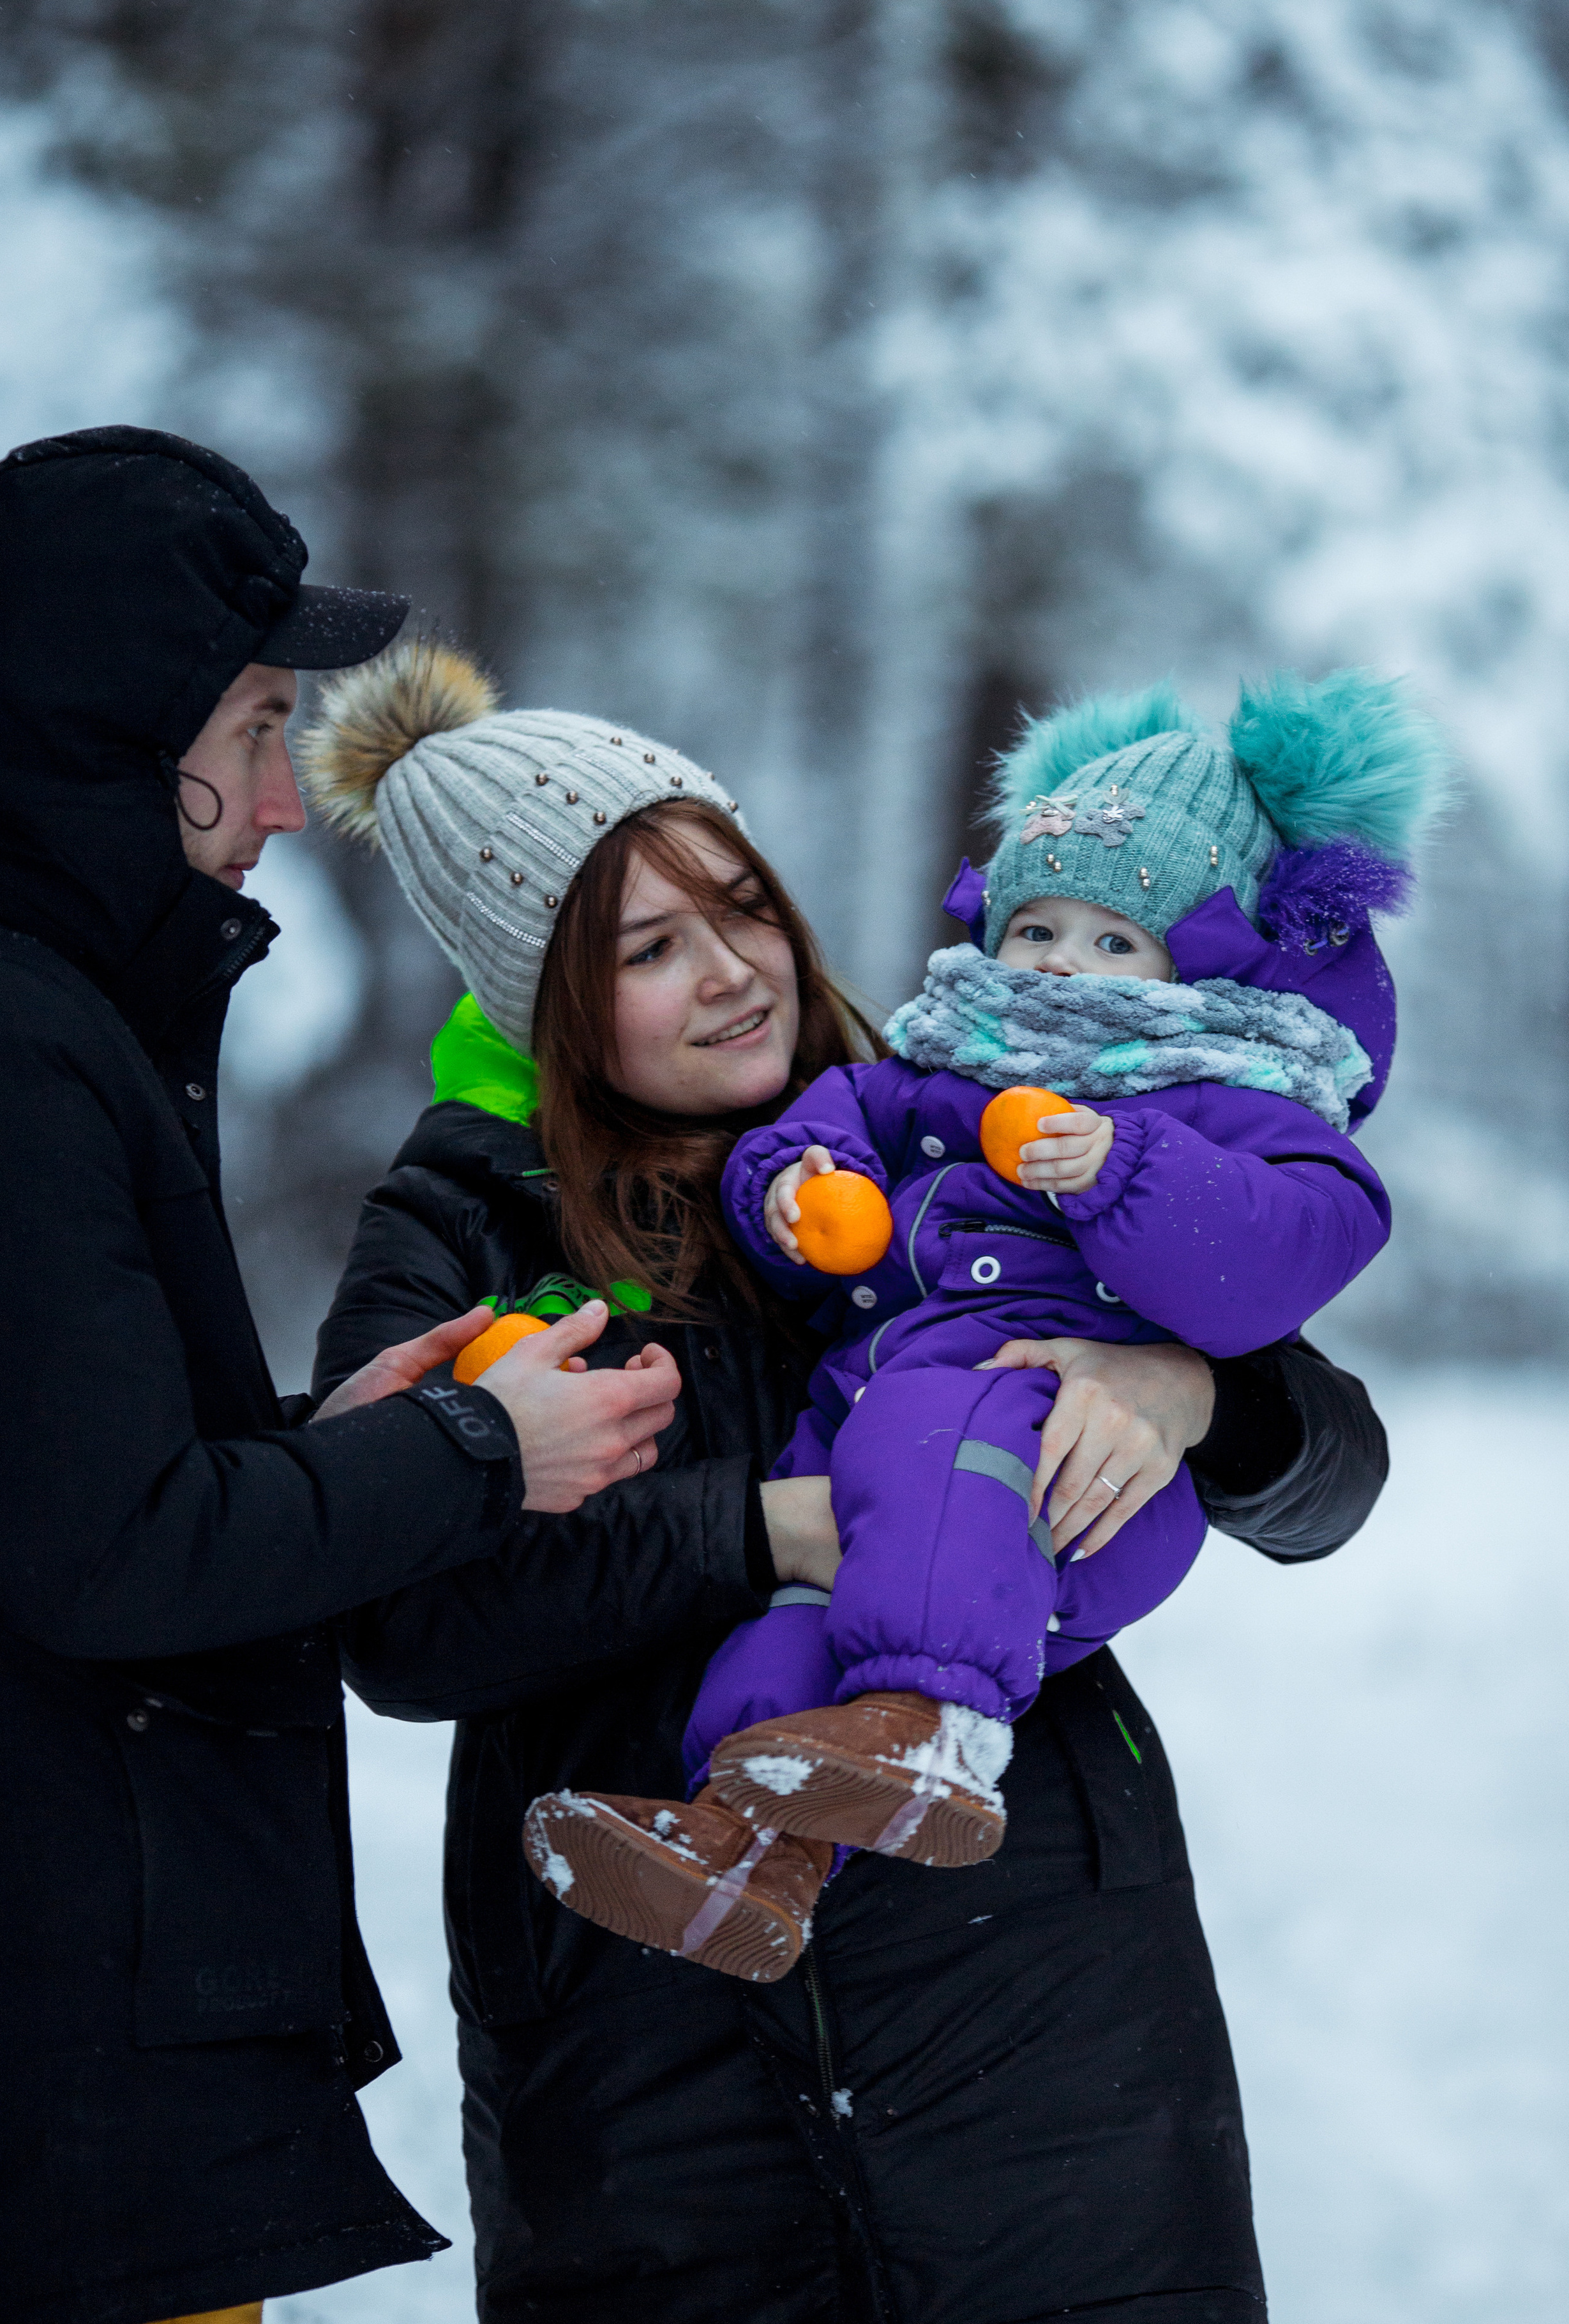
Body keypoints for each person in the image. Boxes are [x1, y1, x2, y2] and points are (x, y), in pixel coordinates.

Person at [303, 637, 1389, 2324]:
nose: (731, 971)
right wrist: (768, 1529)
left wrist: (1198, 1386)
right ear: (546, 997)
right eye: (645, 950)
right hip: (660, 2139)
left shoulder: (978, 1106)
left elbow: (1332, 1473)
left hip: (1034, 2083)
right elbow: (398, 1626)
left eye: (742, 906)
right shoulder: (466, 1227)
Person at [0, 431, 678, 2324]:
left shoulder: (39, 1013)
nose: (284, 796)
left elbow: (34, 1477)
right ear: (107, 729)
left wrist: (326, 1437)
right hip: (58, 2086)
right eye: (257, 725)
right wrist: (475, 1460)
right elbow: (111, 1553)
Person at [525, 670, 1441, 1977]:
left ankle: (935, 1729)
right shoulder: (934, 1070)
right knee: (792, 1623)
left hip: (1054, 1476)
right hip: (871, 1450)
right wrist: (798, 1187)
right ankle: (741, 1846)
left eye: (1113, 942)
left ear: (1194, 965)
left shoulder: (1213, 1094)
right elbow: (830, 1119)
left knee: (936, 1421)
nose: (1063, 966)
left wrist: (1124, 1182)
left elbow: (1294, 1245)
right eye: (1038, 929)